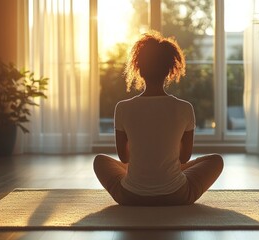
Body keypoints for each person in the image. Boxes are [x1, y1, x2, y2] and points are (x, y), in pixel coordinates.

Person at [93, 31, 223, 206]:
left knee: (100, 161)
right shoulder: (184, 108)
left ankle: (150, 168)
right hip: (177, 195)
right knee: (215, 160)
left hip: (130, 196)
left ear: (138, 69)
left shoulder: (122, 108)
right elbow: (184, 158)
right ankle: (159, 168)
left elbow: (124, 158)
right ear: (170, 70)